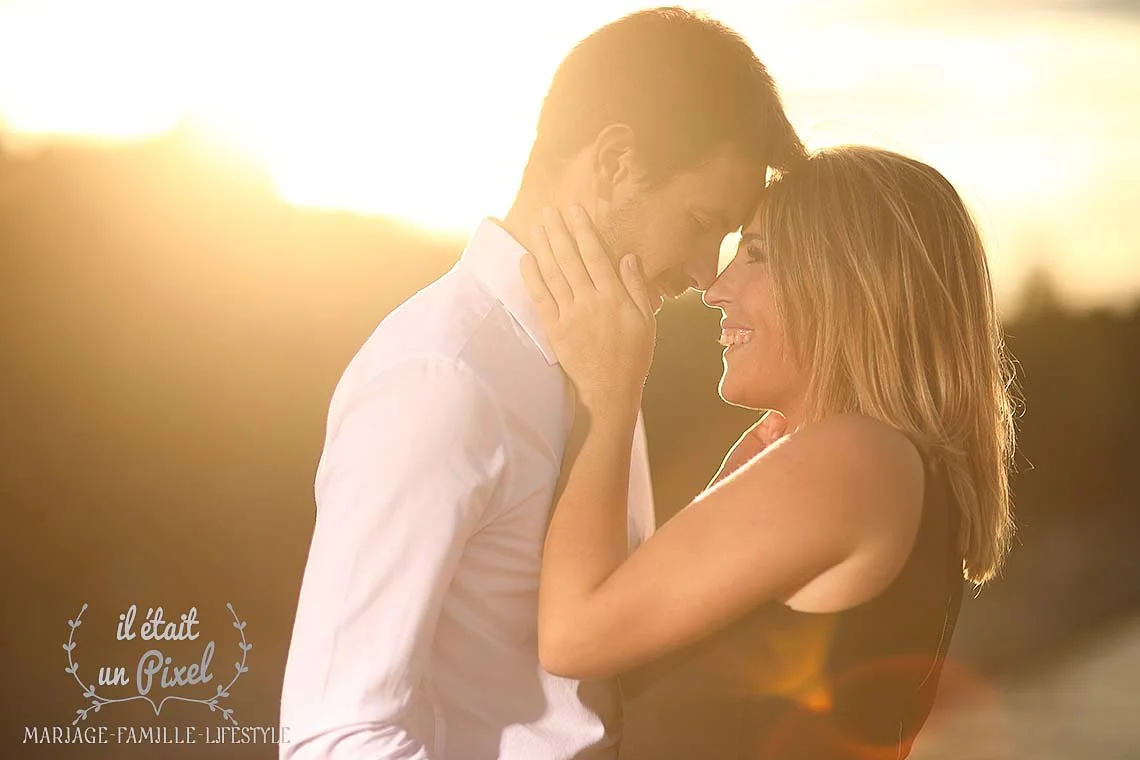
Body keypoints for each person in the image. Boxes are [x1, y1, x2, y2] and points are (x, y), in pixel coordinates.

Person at [278, 8, 803, 759]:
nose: (701, 271)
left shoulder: (600, 351)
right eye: (698, 220)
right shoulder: (441, 378)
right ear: (616, 161)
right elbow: (335, 734)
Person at [520, 146, 1017, 759]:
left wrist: (608, 394)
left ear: (845, 282)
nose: (716, 288)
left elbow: (571, 636)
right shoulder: (891, 470)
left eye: (756, 254)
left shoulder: (854, 458)